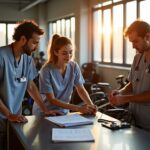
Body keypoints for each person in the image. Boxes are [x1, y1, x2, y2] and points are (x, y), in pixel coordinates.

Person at [0, 20, 61, 150]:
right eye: (34, 42)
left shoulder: (27, 59)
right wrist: (8, 114)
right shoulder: (1, 56)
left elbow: (31, 86)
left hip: (15, 119)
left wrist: (45, 109)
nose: (36, 47)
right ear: (23, 39)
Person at [32, 34, 97, 116]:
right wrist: (78, 108)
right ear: (56, 52)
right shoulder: (46, 70)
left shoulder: (74, 66)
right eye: (64, 53)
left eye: (70, 52)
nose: (68, 56)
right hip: (45, 112)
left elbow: (81, 89)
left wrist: (91, 105)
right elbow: (51, 99)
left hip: (63, 112)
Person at [109, 20, 150, 131]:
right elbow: (132, 83)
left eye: (135, 41)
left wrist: (125, 99)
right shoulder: (137, 58)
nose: (133, 46)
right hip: (134, 121)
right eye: (131, 42)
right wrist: (120, 92)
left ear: (147, 36)